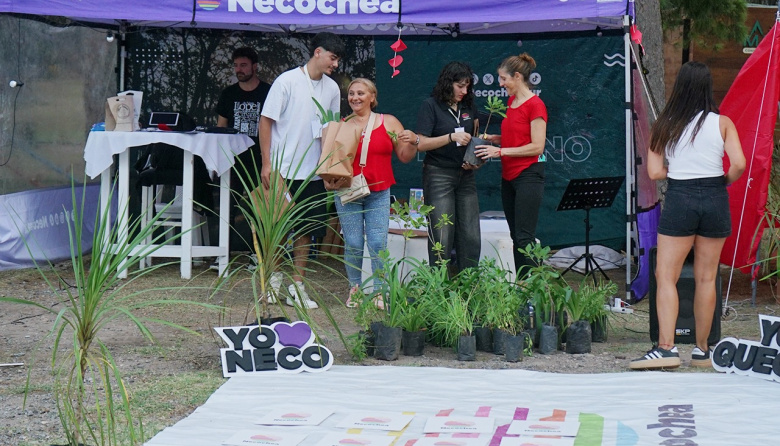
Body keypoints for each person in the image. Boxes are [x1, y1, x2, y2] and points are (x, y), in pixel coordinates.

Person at [629, 61, 745, 370]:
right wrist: (721, 182)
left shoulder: (665, 124)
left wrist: (678, 170)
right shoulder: (723, 123)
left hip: (681, 197)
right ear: (707, 88)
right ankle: (702, 351)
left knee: (666, 275)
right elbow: (739, 163)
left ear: (679, 86)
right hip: (715, 197)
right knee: (707, 277)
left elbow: (654, 172)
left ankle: (666, 349)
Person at [259, 32, 346, 309]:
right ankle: (271, 283)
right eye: (333, 58)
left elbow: (330, 131)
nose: (335, 64)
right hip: (282, 167)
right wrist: (267, 163)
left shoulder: (332, 88)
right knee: (278, 228)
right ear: (318, 52)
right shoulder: (287, 81)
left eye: (338, 60)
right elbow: (265, 121)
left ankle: (297, 287)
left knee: (306, 231)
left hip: (314, 171)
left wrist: (329, 167)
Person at [332, 78, 417, 308]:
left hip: (379, 190)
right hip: (348, 191)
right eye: (351, 93)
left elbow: (405, 156)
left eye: (360, 93)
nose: (355, 97)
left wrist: (412, 142)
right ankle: (355, 289)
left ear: (372, 97)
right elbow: (333, 162)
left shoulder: (388, 122)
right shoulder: (342, 124)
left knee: (378, 242)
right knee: (353, 242)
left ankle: (380, 292)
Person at [475, 53, 547, 279]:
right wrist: (496, 139)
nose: (501, 83)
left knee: (525, 236)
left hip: (528, 174)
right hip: (509, 176)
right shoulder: (511, 102)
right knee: (516, 236)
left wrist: (500, 151)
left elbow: (537, 147)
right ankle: (522, 285)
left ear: (517, 76)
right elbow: (516, 136)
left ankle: (533, 288)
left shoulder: (536, 105)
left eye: (503, 79)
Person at [412, 61, 481, 272]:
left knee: (470, 233)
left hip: (465, 174)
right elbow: (421, 144)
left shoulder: (468, 106)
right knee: (442, 232)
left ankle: (468, 285)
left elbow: (476, 137)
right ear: (447, 83)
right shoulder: (431, 105)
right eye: (460, 86)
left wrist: (476, 159)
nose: (464, 91)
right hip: (438, 174)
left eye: (467, 86)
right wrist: (451, 137)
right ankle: (439, 287)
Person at [211, 47, 272, 267]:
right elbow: (221, 127)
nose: (239, 70)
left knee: (263, 208)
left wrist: (269, 160)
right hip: (233, 162)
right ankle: (222, 255)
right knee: (228, 207)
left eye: (244, 65)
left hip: (260, 160)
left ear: (255, 67)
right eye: (236, 65)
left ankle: (261, 256)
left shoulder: (269, 92)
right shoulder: (228, 94)